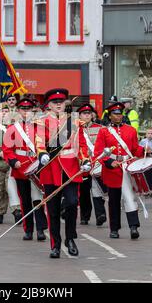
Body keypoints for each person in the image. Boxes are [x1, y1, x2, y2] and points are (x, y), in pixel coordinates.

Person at [36, 89, 91, 258]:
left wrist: (84, 159)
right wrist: (42, 153)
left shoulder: (74, 122)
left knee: (72, 203)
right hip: (51, 168)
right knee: (52, 209)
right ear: (49, 105)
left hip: (70, 168)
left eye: (61, 101)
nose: (58, 104)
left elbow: (81, 144)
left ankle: (70, 238)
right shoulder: (41, 122)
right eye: (54, 102)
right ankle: (55, 244)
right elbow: (39, 141)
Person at [94, 102, 151, 240]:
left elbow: (134, 149)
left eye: (120, 114)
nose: (118, 116)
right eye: (115, 114)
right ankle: (114, 229)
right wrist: (108, 162)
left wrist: (144, 151)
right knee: (113, 200)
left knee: (130, 197)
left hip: (127, 166)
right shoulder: (104, 131)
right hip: (112, 169)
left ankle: (133, 227)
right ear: (110, 116)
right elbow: (99, 152)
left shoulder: (131, 130)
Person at [2, 98, 48, 240]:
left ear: (32, 110)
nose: (26, 112)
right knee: (25, 200)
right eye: (23, 109)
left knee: (38, 199)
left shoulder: (39, 127)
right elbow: (7, 149)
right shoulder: (12, 128)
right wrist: (13, 161)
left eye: (28, 109)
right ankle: (28, 230)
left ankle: (40, 229)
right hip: (20, 167)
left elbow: (47, 145)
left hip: (36, 166)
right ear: (18, 111)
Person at [77, 103, 107, 226]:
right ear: (79, 115)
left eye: (89, 113)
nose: (87, 115)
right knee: (84, 192)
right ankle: (85, 216)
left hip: (97, 163)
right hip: (83, 165)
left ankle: (100, 214)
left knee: (97, 190)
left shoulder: (100, 128)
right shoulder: (75, 129)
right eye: (84, 113)